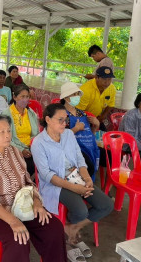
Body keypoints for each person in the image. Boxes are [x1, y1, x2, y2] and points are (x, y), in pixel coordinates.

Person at [0, 115, 67, 262]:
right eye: (1, 132)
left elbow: (28, 182)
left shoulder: (15, 151)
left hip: (22, 203)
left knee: (54, 228)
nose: (7, 135)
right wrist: (13, 221)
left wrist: (36, 202)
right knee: (18, 241)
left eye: (9, 131)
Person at [31, 104, 113, 253]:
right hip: (56, 183)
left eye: (66, 120)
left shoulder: (68, 134)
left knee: (106, 204)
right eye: (60, 120)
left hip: (77, 177)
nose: (65, 124)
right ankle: (68, 232)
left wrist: (87, 179)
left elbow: (79, 159)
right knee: (81, 211)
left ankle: (71, 227)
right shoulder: (38, 143)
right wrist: (76, 188)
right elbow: (47, 175)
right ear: (48, 120)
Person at [60, 82, 100, 177]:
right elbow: (59, 137)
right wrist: (76, 129)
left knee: (106, 159)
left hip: (89, 147)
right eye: (74, 94)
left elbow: (89, 134)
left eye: (77, 94)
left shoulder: (82, 113)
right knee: (88, 166)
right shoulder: (61, 114)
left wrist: (95, 126)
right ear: (66, 97)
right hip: (71, 149)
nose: (77, 96)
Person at [2, 84, 39, 176]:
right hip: (12, 148)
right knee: (28, 166)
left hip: (31, 148)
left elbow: (36, 134)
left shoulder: (31, 113)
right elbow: (5, 138)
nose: (25, 99)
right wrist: (21, 150)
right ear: (15, 97)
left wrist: (32, 147)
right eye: (22, 96)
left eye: (27, 97)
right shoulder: (6, 114)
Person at [76, 66, 116, 131]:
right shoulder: (85, 90)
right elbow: (78, 111)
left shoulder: (112, 88)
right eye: (104, 79)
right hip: (82, 118)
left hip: (97, 118)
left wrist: (103, 116)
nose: (107, 82)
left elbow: (111, 104)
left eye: (109, 79)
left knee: (104, 136)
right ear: (96, 77)